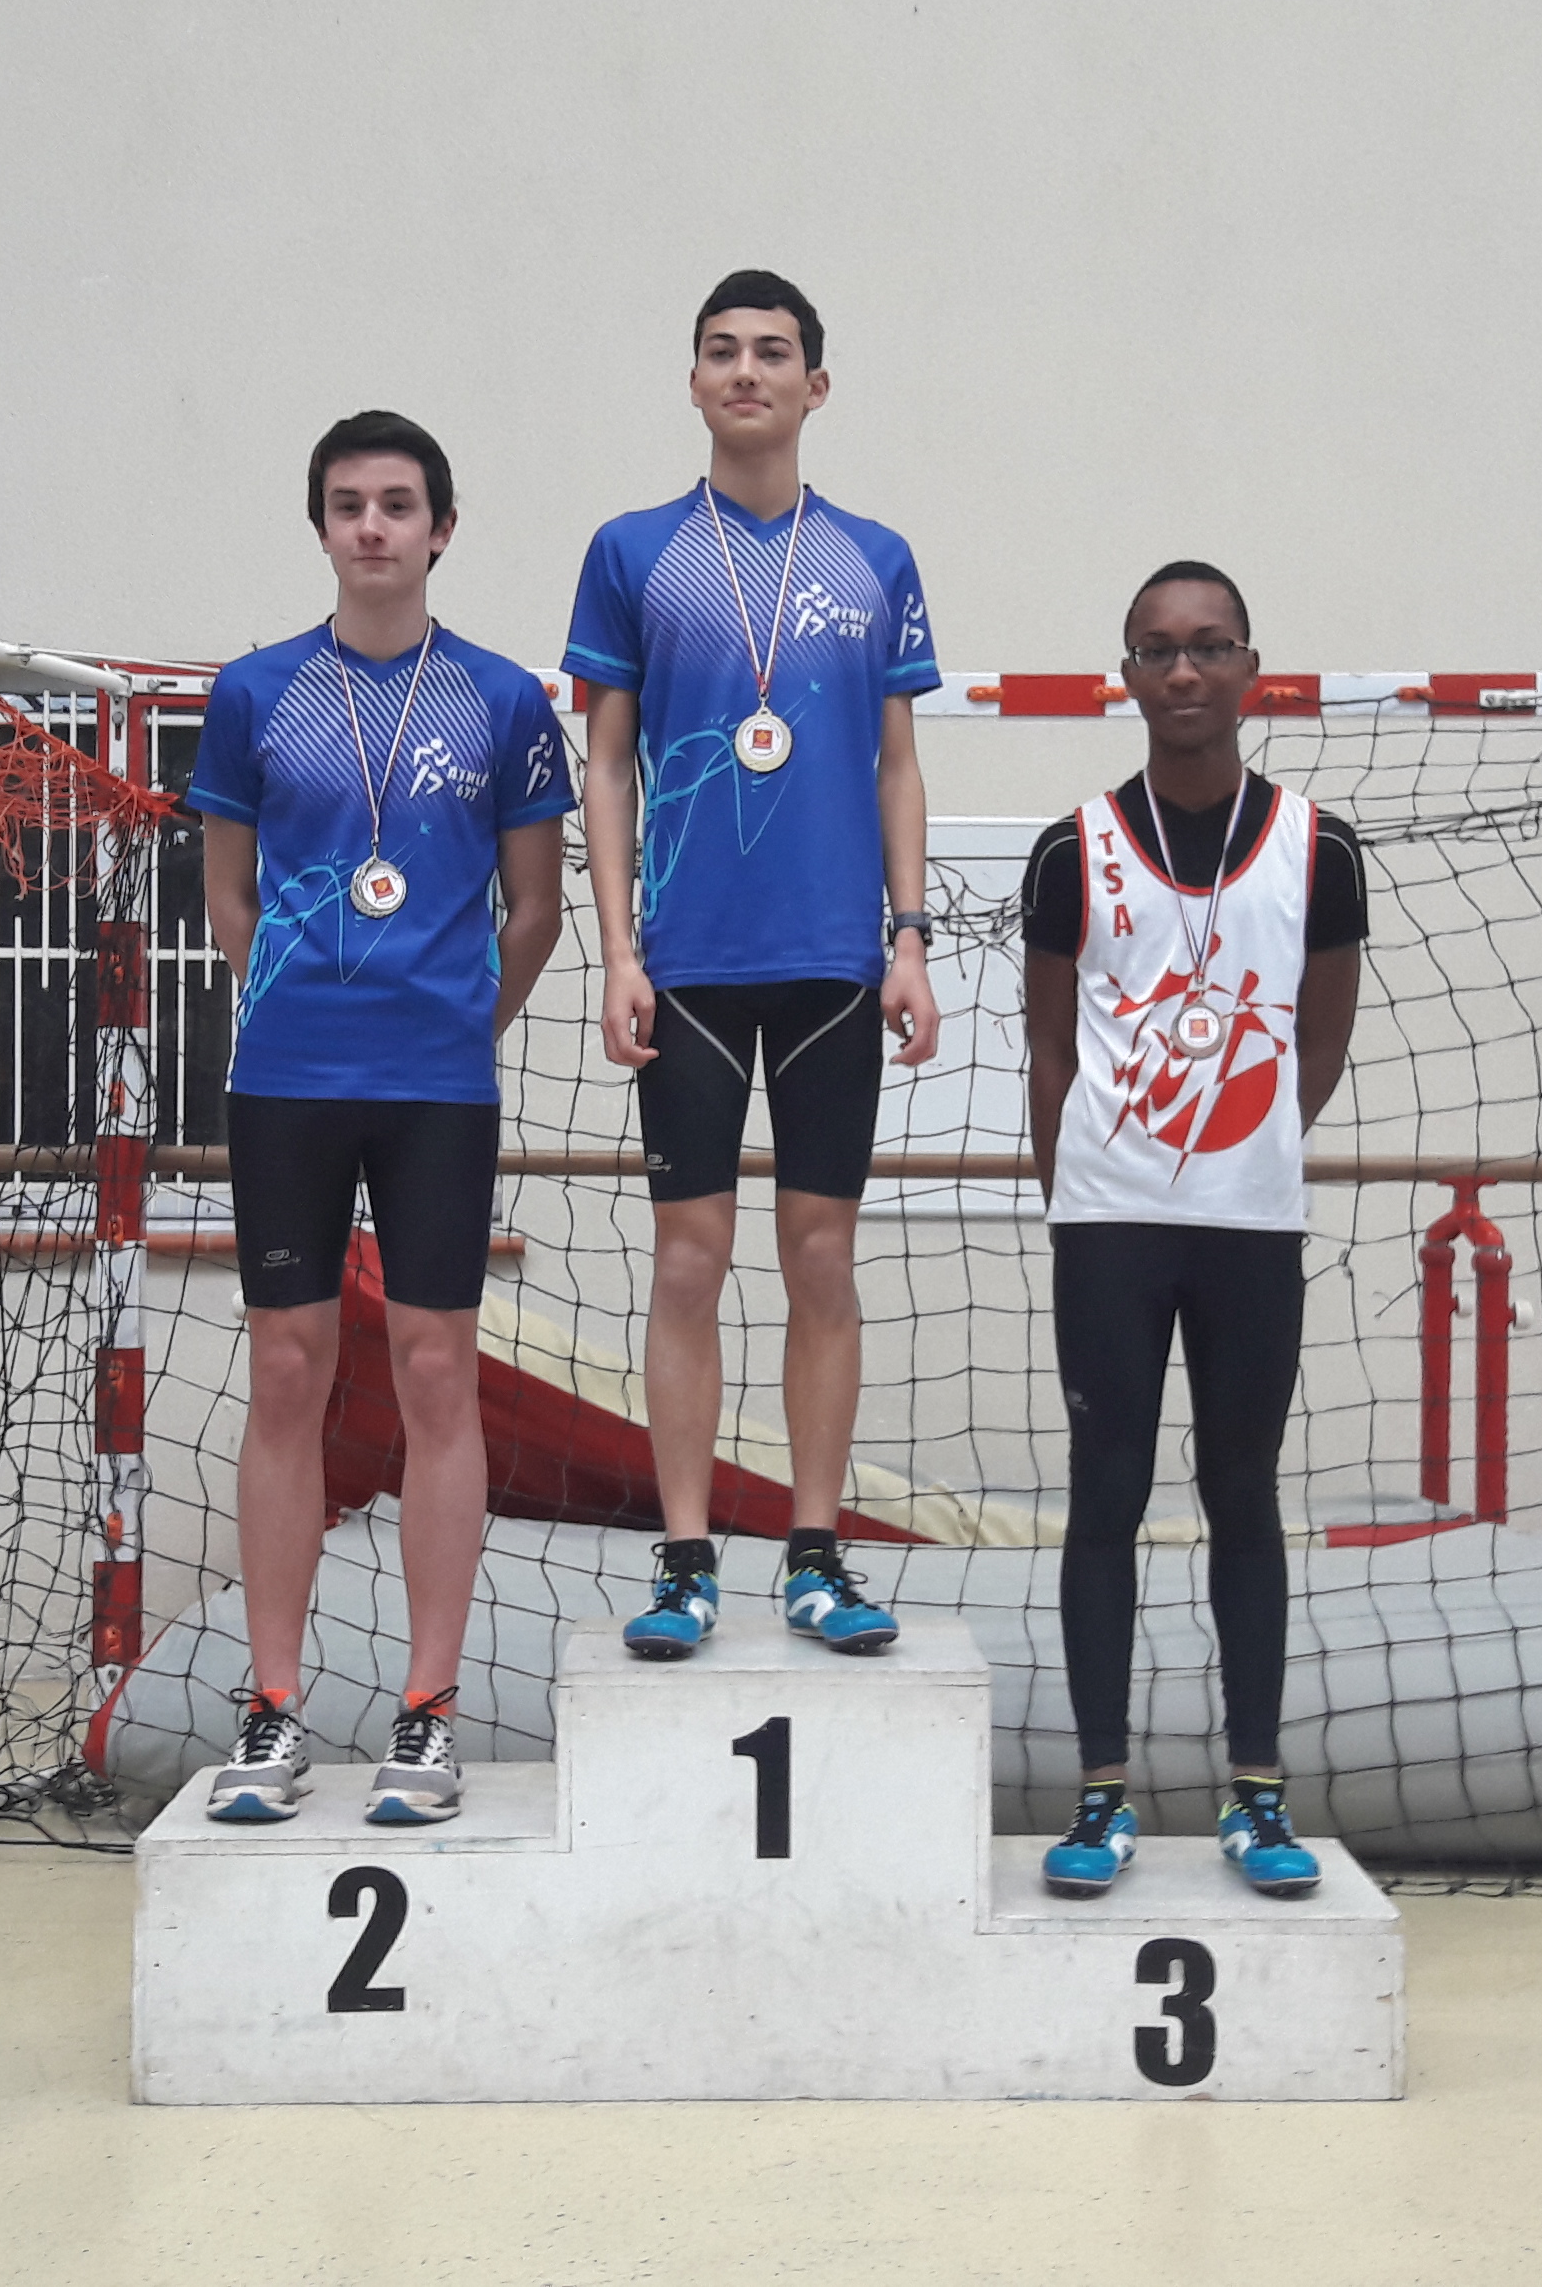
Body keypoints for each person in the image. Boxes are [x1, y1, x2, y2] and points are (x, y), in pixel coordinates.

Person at [193, 409, 573, 1826]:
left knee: (433, 1374)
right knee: (288, 1370)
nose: (372, 525)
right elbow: (228, 896)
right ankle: (273, 1707)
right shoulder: (255, 693)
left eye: (398, 504)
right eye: (348, 503)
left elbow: (534, 910)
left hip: (438, 1088)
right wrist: (298, 1007)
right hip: (287, 1081)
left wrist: (452, 1026)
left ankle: (428, 1710)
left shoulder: (503, 701)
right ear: (322, 527)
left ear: (441, 530)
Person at [566, 268, 940, 1659]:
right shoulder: (634, 552)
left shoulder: (877, 557)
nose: (746, 371)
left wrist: (910, 938)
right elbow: (606, 764)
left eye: (773, 352)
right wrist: (618, 950)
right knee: (688, 1258)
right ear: (694, 381)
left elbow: (898, 765)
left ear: (814, 386)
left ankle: (816, 1555)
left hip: (835, 963)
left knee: (822, 1255)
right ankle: (685, 1562)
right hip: (689, 966)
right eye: (721, 350)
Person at [1020, 562, 1369, 1899]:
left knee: (1244, 1495)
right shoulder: (1074, 849)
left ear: (1249, 671)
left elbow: (1319, 1040)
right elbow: (1051, 1046)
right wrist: (1083, 1190)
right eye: (1159, 649)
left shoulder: (1320, 849)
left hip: (1249, 1224)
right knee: (1105, 1495)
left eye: (1209, 646)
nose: (1184, 671)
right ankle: (1101, 1792)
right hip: (1109, 1223)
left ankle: (1257, 1794)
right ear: (1126, 674)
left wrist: (1244, 1147)